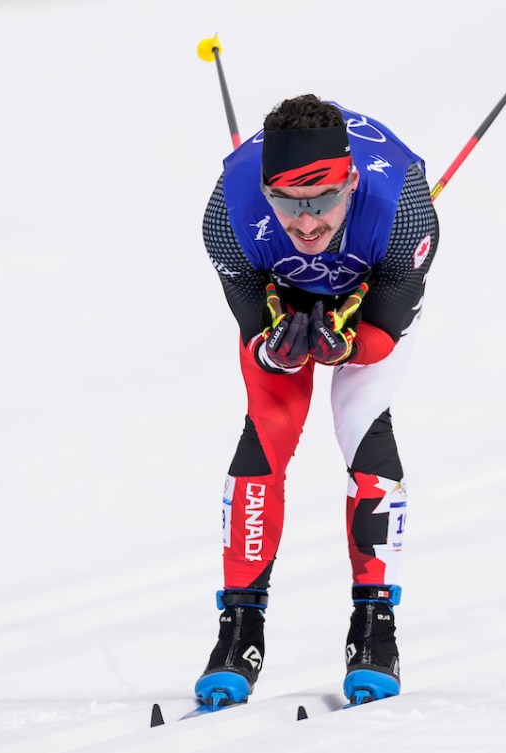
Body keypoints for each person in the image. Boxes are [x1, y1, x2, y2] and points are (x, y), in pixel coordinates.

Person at [195, 94, 438, 709]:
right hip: (281, 291)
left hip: (369, 292)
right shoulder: (227, 214)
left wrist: (347, 345)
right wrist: (275, 347)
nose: (306, 224)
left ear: (351, 183)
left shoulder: (404, 209)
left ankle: (374, 631)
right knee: (268, 430)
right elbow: (254, 330)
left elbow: (381, 338)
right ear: (265, 193)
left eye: (324, 202)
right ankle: (239, 632)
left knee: (361, 421)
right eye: (287, 205)